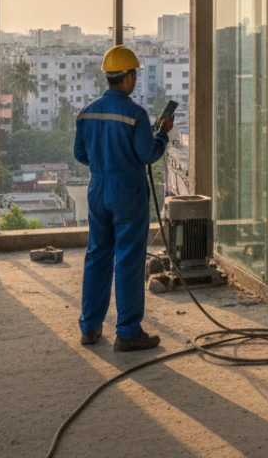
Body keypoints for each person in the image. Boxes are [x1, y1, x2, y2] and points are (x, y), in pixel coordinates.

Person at [74, 45, 175, 350]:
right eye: (135, 75)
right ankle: (128, 332)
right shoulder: (136, 114)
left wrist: (105, 164)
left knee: (97, 256)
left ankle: (90, 328)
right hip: (127, 192)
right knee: (129, 261)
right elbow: (148, 154)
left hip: (98, 189)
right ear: (129, 77)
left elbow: (80, 154)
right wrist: (163, 134)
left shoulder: (87, 111)